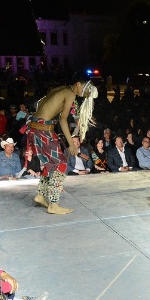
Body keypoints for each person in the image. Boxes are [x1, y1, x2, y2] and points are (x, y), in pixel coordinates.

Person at [26, 73, 98, 214]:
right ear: (78, 84)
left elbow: (40, 103)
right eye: (85, 89)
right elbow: (63, 119)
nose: (84, 94)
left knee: (51, 163)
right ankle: (53, 204)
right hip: (43, 130)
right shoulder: (70, 94)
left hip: (36, 128)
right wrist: (71, 144)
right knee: (61, 164)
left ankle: (41, 195)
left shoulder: (61, 89)